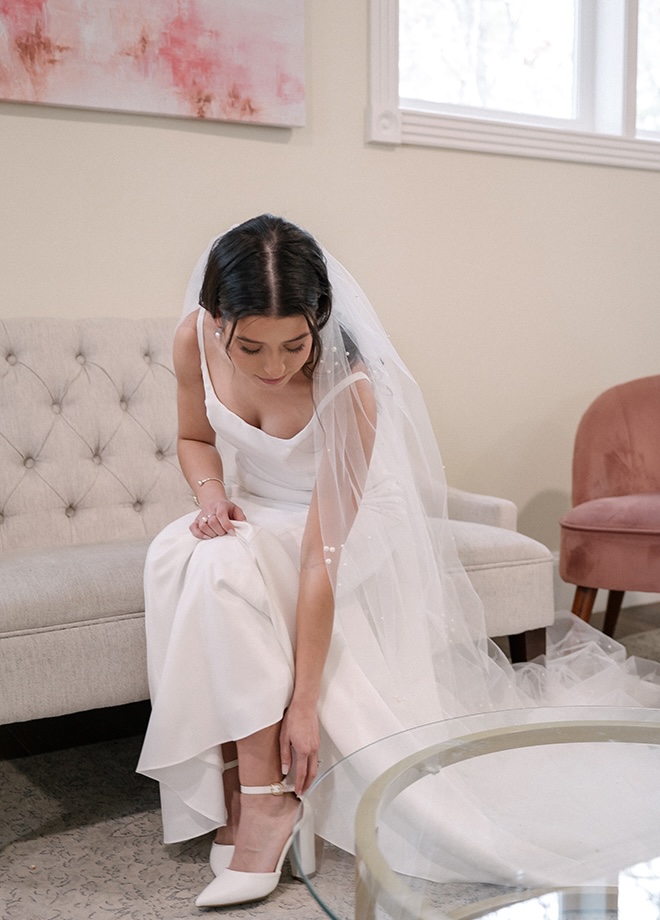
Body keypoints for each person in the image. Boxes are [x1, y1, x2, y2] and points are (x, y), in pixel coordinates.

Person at [137, 215, 660, 908]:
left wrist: (304, 705)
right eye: (251, 347)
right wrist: (209, 496)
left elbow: (321, 561)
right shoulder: (191, 341)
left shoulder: (347, 382)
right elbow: (191, 436)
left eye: (293, 344)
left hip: (348, 521)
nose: (272, 367)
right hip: (258, 507)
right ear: (215, 320)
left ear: (318, 319)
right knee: (191, 552)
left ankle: (258, 802)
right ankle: (259, 793)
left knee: (231, 569)